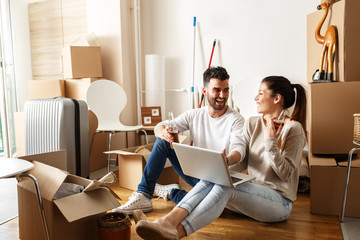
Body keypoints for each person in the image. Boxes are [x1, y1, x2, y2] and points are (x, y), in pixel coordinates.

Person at [134, 76, 307, 240]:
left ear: (276, 98)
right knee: (215, 177)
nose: (256, 97)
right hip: (252, 193)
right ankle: (166, 222)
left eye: (261, 93)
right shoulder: (253, 123)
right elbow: (243, 161)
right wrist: (224, 164)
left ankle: (176, 232)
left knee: (226, 188)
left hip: (279, 202)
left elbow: (286, 175)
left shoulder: (293, 129)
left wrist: (271, 142)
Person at [113, 66, 247, 215]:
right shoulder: (194, 114)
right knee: (164, 138)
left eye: (226, 90)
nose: (222, 95)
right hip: (195, 172)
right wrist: (162, 130)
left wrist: (227, 160)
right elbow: (161, 126)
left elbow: (239, 149)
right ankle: (143, 194)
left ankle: (171, 192)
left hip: (219, 179)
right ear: (205, 91)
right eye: (217, 90)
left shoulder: (236, 119)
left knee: (213, 208)